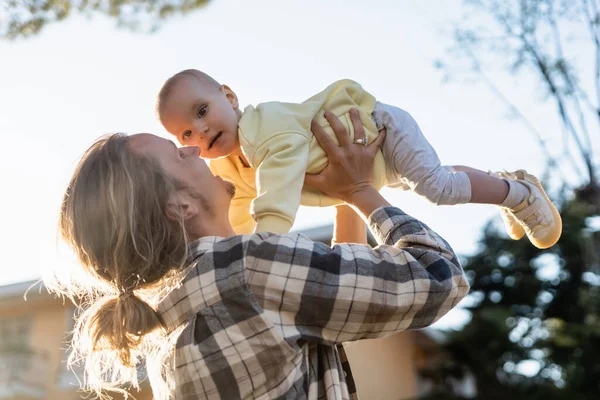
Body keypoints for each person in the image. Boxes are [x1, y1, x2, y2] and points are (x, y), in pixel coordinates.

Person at [49, 112, 469, 400]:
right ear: (180, 207)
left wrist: (344, 199)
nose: (193, 149)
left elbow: (330, 302)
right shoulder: (249, 269)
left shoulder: (168, 329)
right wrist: (361, 191)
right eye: (179, 155)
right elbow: (439, 277)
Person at [156, 69, 562, 249]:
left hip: (374, 129)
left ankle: (519, 194)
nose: (201, 131)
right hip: (371, 168)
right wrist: (236, 246)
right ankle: (501, 179)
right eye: (186, 133)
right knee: (433, 178)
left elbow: (276, 184)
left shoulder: (262, 125)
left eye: (203, 111)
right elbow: (241, 211)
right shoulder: (228, 168)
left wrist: (268, 239)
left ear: (229, 98)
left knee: (436, 187)